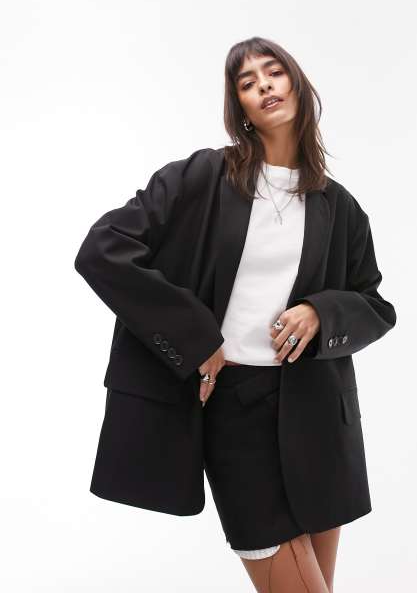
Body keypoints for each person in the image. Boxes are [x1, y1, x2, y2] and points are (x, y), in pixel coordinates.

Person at [75, 36, 397, 593]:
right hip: (235, 410)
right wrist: (195, 338)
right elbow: (103, 250)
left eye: (274, 72)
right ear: (240, 106)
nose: (264, 85)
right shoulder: (200, 178)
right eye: (248, 82)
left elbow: (375, 304)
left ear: (297, 84)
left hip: (319, 417)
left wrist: (321, 312)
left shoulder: (340, 206)